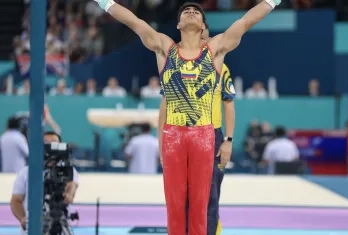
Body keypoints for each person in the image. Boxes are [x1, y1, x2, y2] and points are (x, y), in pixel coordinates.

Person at [94, 0, 281, 233]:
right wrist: (105, 3)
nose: (191, 12)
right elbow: (134, 22)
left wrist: (272, 2)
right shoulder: (164, 47)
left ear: (203, 27)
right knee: (174, 205)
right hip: (173, 135)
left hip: (204, 135)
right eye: (186, 11)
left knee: (200, 206)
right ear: (178, 24)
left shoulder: (215, 49)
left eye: (196, 12)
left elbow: (245, 22)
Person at [183, 23, 235, 235]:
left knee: (210, 197)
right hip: (183, 135)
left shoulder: (220, 67)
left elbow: (229, 104)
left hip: (212, 135)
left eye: (203, 37)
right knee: (184, 196)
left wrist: (228, 141)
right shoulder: (179, 64)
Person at [10, 131, 79, 234]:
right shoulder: (26, 172)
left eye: (54, 142)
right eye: (46, 142)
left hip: (60, 222)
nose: (50, 145)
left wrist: (68, 194)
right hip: (33, 225)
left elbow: (72, 185)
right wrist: (22, 218)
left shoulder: (68, 170)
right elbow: (15, 201)